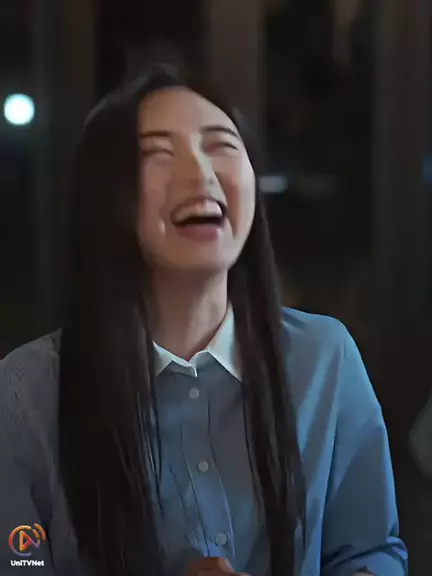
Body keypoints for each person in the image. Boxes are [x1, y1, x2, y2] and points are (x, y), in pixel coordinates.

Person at [0, 65, 407, 576]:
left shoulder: (326, 358)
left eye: (221, 146)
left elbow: (369, 553)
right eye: (157, 153)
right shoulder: (26, 393)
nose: (200, 173)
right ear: (107, 196)